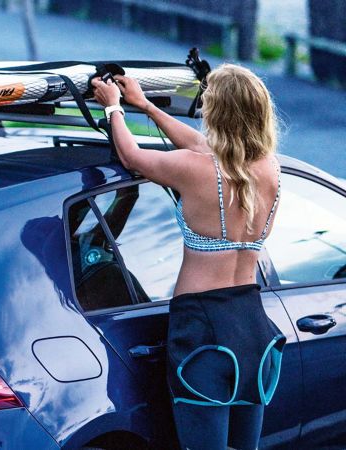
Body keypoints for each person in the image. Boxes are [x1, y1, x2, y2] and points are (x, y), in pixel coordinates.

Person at [91, 64, 285, 450]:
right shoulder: (269, 170)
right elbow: (201, 147)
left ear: (217, 113)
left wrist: (115, 107)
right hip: (252, 329)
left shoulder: (196, 171)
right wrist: (145, 105)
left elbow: (130, 156)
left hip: (202, 332)